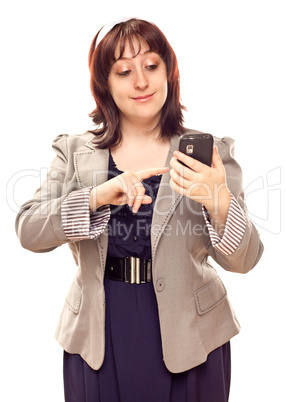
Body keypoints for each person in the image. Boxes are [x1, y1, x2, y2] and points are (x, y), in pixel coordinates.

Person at [15, 18, 264, 402]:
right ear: (105, 84)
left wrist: (219, 201)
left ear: (169, 71)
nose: (141, 82)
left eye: (151, 66)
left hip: (191, 334)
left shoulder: (209, 152)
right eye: (124, 71)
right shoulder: (75, 152)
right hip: (100, 331)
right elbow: (28, 230)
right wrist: (97, 196)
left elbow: (245, 261)